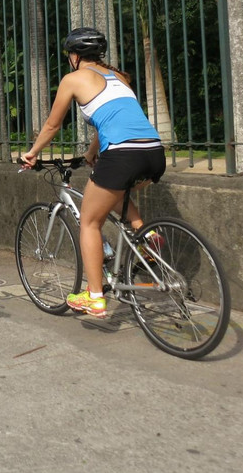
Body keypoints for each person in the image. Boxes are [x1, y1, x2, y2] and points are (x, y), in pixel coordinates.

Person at [20, 27, 166, 318]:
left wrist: (33, 153)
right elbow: (111, 119)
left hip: (123, 155)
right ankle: (149, 237)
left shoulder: (73, 79)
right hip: (153, 152)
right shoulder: (120, 78)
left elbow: (52, 125)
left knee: (89, 221)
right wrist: (90, 154)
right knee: (116, 193)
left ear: (74, 56)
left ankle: (95, 297)